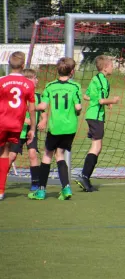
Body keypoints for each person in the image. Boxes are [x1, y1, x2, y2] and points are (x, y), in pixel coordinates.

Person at [29, 57, 82, 201]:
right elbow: (78, 107)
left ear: (57, 70)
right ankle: (66, 188)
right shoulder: (75, 87)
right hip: (70, 128)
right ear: (72, 72)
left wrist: (31, 107)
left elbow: (43, 106)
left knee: (47, 155)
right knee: (60, 155)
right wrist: (77, 111)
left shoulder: (50, 86)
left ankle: (41, 191)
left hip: (55, 128)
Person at [75, 55, 120, 192]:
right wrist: (112, 101)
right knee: (96, 147)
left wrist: (104, 102)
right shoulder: (102, 80)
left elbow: (86, 96)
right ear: (106, 67)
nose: (113, 67)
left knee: (97, 146)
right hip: (95, 116)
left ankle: (85, 177)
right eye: (111, 65)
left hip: (93, 115)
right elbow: (100, 100)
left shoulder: (96, 79)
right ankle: (84, 176)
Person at [0, 52, 37, 200]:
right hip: (16, 124)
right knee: (6, 153)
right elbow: (32, 108)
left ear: (9, 64)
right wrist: (33, 128)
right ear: (23, 66)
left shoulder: (1, 81)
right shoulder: (28, 84)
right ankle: (1, 190)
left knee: (3, 153)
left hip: (2, 121)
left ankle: (1, 189)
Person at [8, 69, 47, 194]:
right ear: (27, 81)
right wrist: (24, 119)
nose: (37, 80)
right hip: (18, 132)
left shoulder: (38, 96)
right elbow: (12, 112)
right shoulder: (19, 96)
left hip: (31, 132)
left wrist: (43, 121)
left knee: (33, 154)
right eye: (35, 78)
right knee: (11, 156)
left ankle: (35, 182)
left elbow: (43, 112)